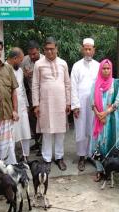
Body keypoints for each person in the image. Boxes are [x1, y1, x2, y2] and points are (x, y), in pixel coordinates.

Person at [32, 37, 71, 171]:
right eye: (47, 49)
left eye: (52, 49)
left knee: (60, 131)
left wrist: (68, 102)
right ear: (44, 49)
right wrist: (36, 104)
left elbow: (67, 83)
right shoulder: (38, 64)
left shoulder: (63, 63)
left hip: (61, 103)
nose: (49, 52)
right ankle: (47, 159)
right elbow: (35, 85)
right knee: (47, 131)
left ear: (57, 49)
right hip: (45, 103)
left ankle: (59, 157)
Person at [89, 59, 119, 181]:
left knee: (110, 143)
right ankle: (99, 170)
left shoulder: (116, 83)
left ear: (111, 69)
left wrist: (105, 113)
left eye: (108, 68)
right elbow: (92, 102)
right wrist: (99, 115)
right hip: (99, 120)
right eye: (104, 68)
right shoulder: (95, 84)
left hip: (112, 119)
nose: (106, 70)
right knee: (98, 144)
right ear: (100, 69)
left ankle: (110, 170)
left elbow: (117, 102)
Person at [70, 38, 100, 171]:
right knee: (81, 129)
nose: (88, 52)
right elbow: (73, 86)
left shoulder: (99, 66)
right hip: (81, 103)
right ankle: (82, 157)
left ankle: (91, 155)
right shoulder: (76, 66)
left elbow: (101, 85)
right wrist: (75, 106)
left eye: (90, 49)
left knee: (93, 128)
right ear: (82, 49)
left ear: (94, 50)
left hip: (94, 104)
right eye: (85, 49)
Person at [6, 48, 31, 159]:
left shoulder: (20, 70)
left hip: (22, 106)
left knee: (25, 131)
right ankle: (13, 158)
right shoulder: (4, 69)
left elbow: (22, 90)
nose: (21, 63)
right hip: (10, 107)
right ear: (15, 59)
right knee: (13, 134)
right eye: (20, 60)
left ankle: (25, 156)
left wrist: (26, 104)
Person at [21, 40, 44, 153]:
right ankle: (37, 142)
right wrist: (25, 74)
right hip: (31, 93)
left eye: (34, 54)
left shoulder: (45, 59)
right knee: (33, 119)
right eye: (30, 54)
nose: (32, 56)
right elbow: (17, 73)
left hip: (44, 93)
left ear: (38, 50)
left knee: (43, 119)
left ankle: (43, 145)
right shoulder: (24, 60)